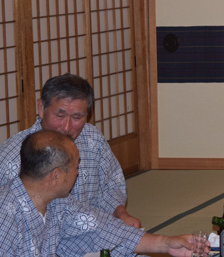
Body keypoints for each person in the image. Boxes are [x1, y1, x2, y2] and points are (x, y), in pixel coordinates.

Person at [0, 130, 207, 257]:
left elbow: (103, 229)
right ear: (55, 176)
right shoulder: (5, 213)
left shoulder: (57, 202)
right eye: (75, 167)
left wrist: (166, 243)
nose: (78, 172)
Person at [0, 73, 140, 227]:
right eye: (60, 115)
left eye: (76, 117)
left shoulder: (93, 138)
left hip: (93, 232)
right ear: (41, 108)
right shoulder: (13, 157)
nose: (66, 127)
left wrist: (121, 214)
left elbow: (111, 184)